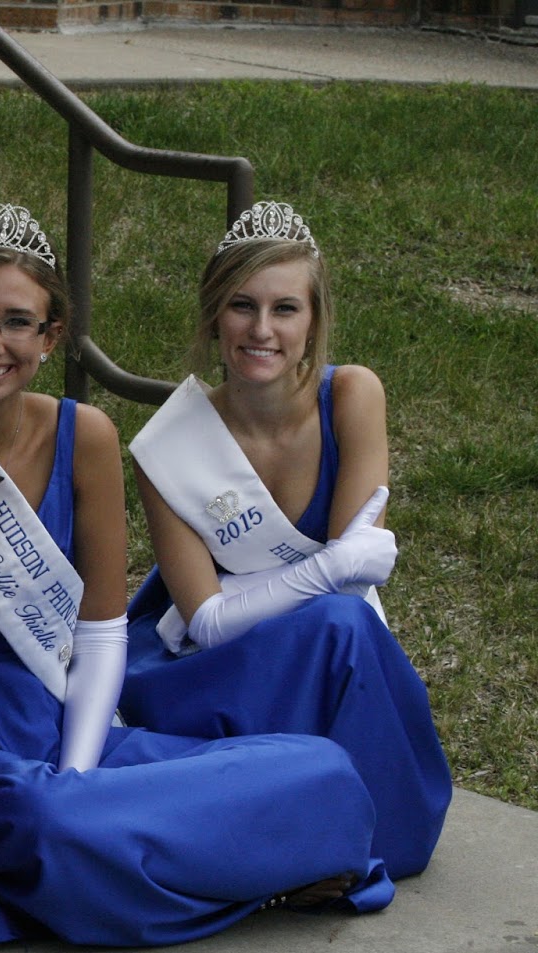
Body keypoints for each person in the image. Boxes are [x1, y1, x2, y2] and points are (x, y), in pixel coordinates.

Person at [0, 204, 393, 947]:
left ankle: (102, 840)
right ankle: (242, 877)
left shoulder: (87, 435)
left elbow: (103, 631)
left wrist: (81, 770)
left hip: (63, 721)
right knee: (40, 816)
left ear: (51, 338)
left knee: (322, 771)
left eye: (17, 322)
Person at [122, 201, 452, 879]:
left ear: (314, 321)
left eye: (286, 309)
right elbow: (211, 624)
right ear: (215, 314)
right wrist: (330, 566)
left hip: (321, 652)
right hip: (212, 671)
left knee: (341, 625)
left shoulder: (353, 397)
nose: (262, 330)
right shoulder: (168, 446)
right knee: (335, 622)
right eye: (242, 305)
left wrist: (297, 582)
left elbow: (356, 594)